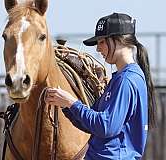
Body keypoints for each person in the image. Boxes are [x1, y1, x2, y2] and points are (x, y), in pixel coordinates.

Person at [45, 12, 156, 160]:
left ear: (119, 40)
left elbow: (106, 126)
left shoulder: (126, 80)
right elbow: (91, 125)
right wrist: (65, 105)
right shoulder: (121, 78)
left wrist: (72, 103)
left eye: (102, 42)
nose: (97, 49)